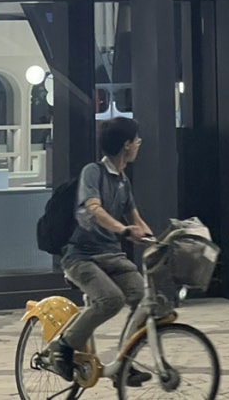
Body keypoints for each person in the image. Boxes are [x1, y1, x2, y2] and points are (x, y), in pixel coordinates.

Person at [46, 116, 153, 385]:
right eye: (137, 140)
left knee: (143, 298)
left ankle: (125, 363)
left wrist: (157, 241)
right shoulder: (93, 172)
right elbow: (94, 209)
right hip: (81, 256)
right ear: (126, 144)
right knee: (111, 299)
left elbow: (136, 220)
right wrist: (123, 230)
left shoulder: (123, 181)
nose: (139, 144)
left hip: (111, 256)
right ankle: (63, 346)